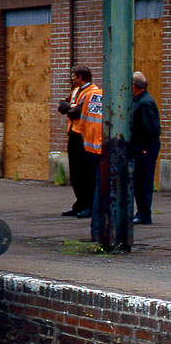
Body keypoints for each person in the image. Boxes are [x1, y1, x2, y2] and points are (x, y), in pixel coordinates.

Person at [57, 65, 99, 218]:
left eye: (74, 76)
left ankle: (89, 205)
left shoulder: (93, 92)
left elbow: (78, 111)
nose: (72, 78)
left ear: (80, 77)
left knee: (85, 173)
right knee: (75, 173)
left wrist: (70, 108)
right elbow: (63, 105)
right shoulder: (75, 91)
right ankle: (80, 203)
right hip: (73, 134)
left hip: (84, 136)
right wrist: (70, 107)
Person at [130, 71, 161, 225]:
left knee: (143, 180)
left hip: (145, 147)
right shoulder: (139, 101)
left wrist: (144, 147)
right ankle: (141, 211)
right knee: (138, 180)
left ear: (135, 86)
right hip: (141, 146)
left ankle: (144, 213)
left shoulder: (144, 103)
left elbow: (151, 129)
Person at [81, 79, 105, 241]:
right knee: (103, 189)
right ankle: (99, 231)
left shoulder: (91, 95)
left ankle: (96, 230)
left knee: (97, 186)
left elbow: (82, 122)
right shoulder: (116, 98)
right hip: (106, 149)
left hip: (90, 148)